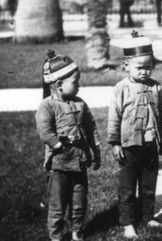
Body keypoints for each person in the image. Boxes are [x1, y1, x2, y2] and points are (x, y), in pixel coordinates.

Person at [108, 31, 162, 238]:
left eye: (148, 67)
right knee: (127, 187)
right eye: (139, 67)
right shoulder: (122, 89)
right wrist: (115, 142)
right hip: (129, 146)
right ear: (127, 66)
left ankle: (147, 217)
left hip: (151, 144)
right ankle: (127, 222)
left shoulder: (156, 87)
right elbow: (114, 116)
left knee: (148, 184)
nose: (144, 72)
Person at [36, 51, 101, 241]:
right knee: (58, 205)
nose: (79, 86)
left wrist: (95, 150)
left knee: (79, 202)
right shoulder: (47, 106)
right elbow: (45, 130)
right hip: (59, 166)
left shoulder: (80, 104)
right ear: (58, 85)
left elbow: (91, 127)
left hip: (79, 164)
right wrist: (59, 145)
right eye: (75, 82)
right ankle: (56, 236)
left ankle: (76, 231)